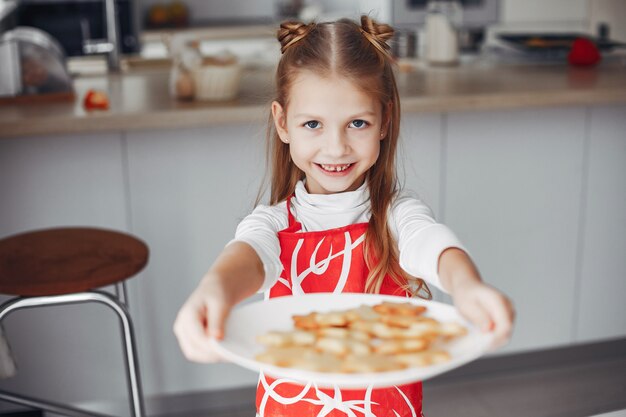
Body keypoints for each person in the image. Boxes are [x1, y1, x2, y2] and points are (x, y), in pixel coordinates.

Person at [174, 15, 515, 417]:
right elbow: (245, 256)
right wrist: (213, 289)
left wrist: (467, 285)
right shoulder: (273, 223)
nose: (336, 149)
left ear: (384, 122)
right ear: (283, 123)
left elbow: (431, 242)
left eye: (357, 123)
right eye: (313, 124)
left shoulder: (396, 215)